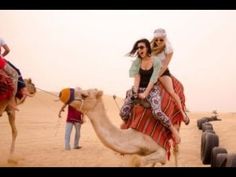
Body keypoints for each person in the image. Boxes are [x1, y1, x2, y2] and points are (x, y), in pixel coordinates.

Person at [119, 38, 180, 144]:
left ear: (147, 47)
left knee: (157, 112)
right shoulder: (137, 62)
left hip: (152, 90)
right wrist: (135, 92)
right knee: (123, 112)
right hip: (139, 89)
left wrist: (145, 94)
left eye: (141, 47)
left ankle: (173, 130)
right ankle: (128, 126)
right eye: (138, 48)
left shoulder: (155, 61)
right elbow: (137, 79)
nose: (139, 50)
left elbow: (153, 79)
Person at [150, 28, 189, 125]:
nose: (158, 42)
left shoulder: (169, 50)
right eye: (157, 39)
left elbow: (165, 65)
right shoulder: (150, 47)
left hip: (162, 72)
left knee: (171, 92)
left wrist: (156, 76)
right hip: (151, 71)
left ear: (165, 39)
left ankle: (182, 113)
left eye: (161, 40)